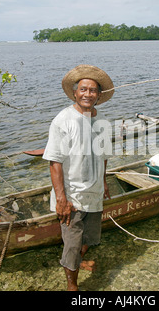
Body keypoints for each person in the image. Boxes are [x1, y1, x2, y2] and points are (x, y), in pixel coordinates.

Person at [42, 64, 114, 291]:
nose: (87, 94)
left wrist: (103, 182)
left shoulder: (101, 121)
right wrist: (61, 199)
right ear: (75, 92)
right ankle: (72, 286)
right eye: (83, 89)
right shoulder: (63, 120)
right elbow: (55, 162)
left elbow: (103, 157)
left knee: (90, 238)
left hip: (93, 193)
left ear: (99, 95)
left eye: (92, 90)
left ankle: (79, 262)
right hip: (72, 196)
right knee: (72, 245)